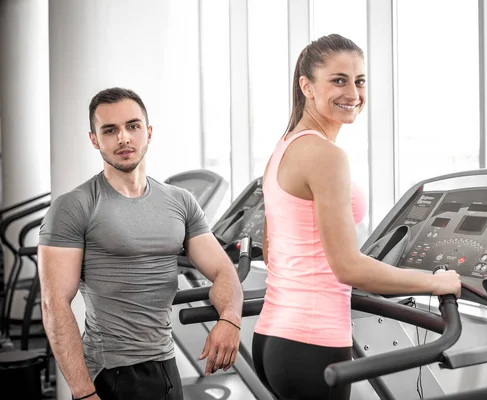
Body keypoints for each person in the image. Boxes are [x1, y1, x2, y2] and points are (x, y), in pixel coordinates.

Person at [252, 34, 462, 400]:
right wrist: (435, 282)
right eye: (338, 80)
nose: (353, 92)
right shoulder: (326, 156)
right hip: (312, 344)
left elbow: (273, 253)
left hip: (272, 337)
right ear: (307, 86)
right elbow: (347, 267)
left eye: (359, 81)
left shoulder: (283, 148)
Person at [38, 87, 244, 400]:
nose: (123, 138)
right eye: (110, 130)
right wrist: (82, 392)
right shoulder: (74, 206)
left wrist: (230, 318)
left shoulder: (180, 202)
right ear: (94, 139)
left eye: (132, 126)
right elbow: (54, 303)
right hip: (113, 373)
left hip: (165, 363)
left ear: (147, 132)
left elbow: (223, 270)